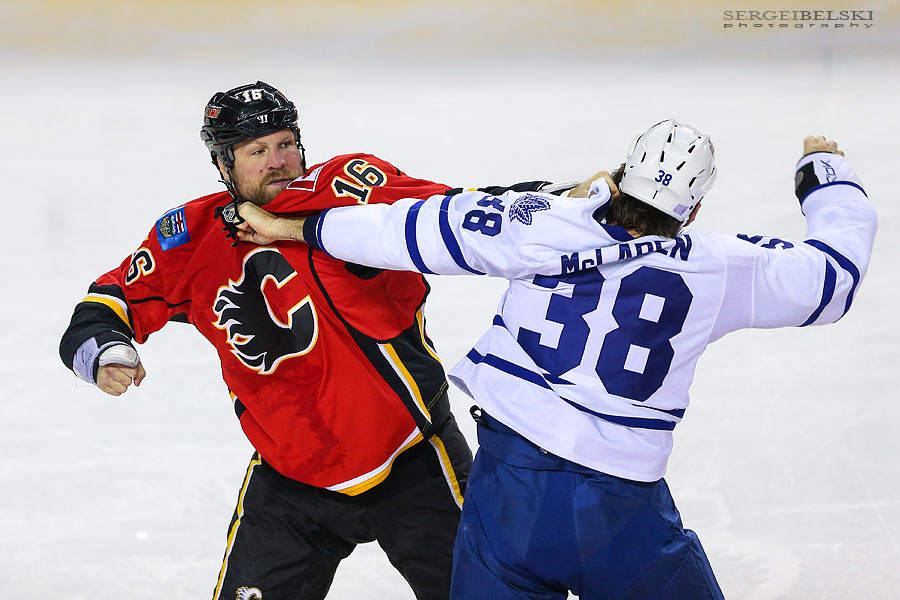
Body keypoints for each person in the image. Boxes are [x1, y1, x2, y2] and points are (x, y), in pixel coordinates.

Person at [233, 120, 877, 599]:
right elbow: (832, 280)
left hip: (509, 494)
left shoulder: (542, 225)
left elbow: (410, 229)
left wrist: (298, 229)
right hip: (623, 514)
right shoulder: (721, 267)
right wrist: (826, 181)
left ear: (623, 174)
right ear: (697, 206)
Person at [58, 81, 580, 600]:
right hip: (290, 478)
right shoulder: (191, 237)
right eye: (256, 151)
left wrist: (564, 203)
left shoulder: (351, 191)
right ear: (224, 166)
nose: (277, 161)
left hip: (413, 458)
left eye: (285, 144)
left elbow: (458, 214)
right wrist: (104, 349)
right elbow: (110, 301)